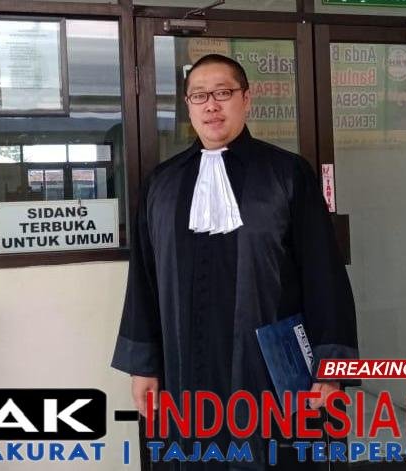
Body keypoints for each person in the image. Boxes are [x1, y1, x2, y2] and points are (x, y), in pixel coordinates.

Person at [112, 54, 358, 470]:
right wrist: (144, 368)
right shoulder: (161, 185)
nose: (211, 105)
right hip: (183, 367)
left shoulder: (287, 174)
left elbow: (324, 277)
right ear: (188, 106)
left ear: (246, 99)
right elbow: (144, 283)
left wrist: (329, 368)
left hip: (268, 371)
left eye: (223, 93)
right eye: (199, 96)